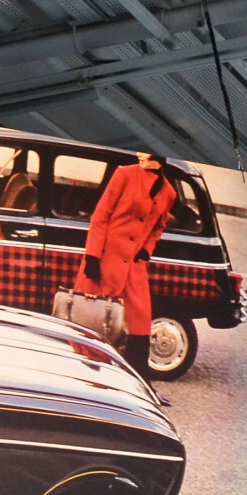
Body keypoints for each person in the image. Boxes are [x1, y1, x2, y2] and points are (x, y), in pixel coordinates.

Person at [78, 152, 177, 380]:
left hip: (134, 266)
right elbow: (101, 215)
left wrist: (146, 250)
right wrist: (93, 256)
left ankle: (136, 379)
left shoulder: (169, 192)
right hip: (104, 260)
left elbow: (158, 227)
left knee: (139, 323)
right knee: (93, 319)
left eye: (145, 152)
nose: (139, 154)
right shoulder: (124, 174)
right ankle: (89, 376)